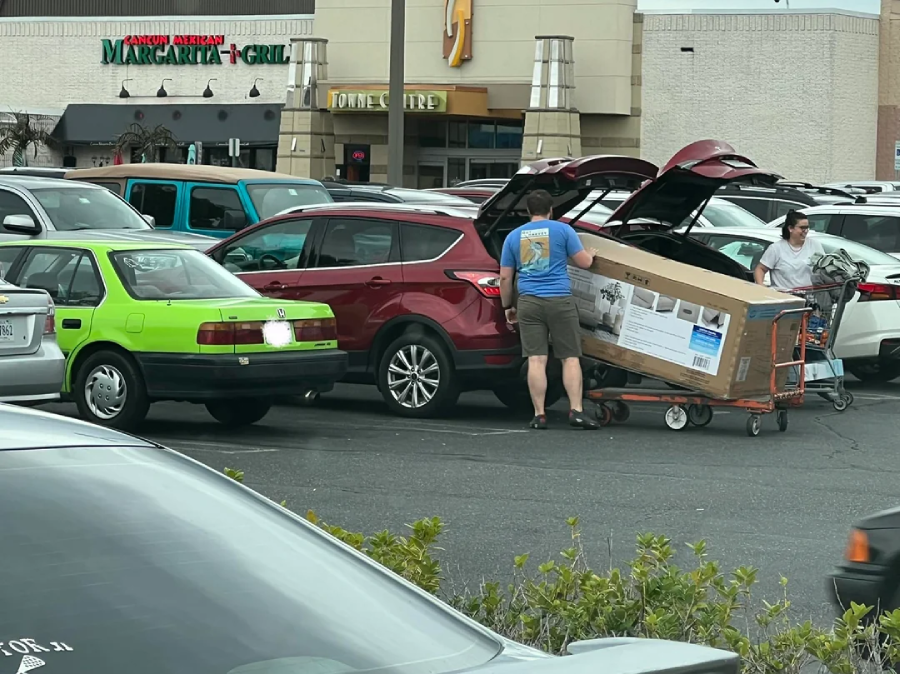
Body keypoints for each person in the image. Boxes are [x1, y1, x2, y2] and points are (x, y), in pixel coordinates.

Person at [499, 189, 599, 430]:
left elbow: (504, 278)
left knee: (536, 359)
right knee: (570, 357)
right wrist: (592, 255)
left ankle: (539, 414)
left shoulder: (513, 236)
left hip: (529, 302)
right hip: (560, 300)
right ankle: (576, 411)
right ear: (551, 210)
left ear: (527, 211)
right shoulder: (563, 230)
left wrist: (507, 306)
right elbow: (584, 263)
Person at [754, 210, 824, 290]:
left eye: (807, 228)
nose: (805, 231)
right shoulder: (776, 249)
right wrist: (761, 286)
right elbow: (760, 269)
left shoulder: (815, 245)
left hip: (809, 297)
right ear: (790, 228)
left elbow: (823, 269)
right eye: (802, 228)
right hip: (785, 297)